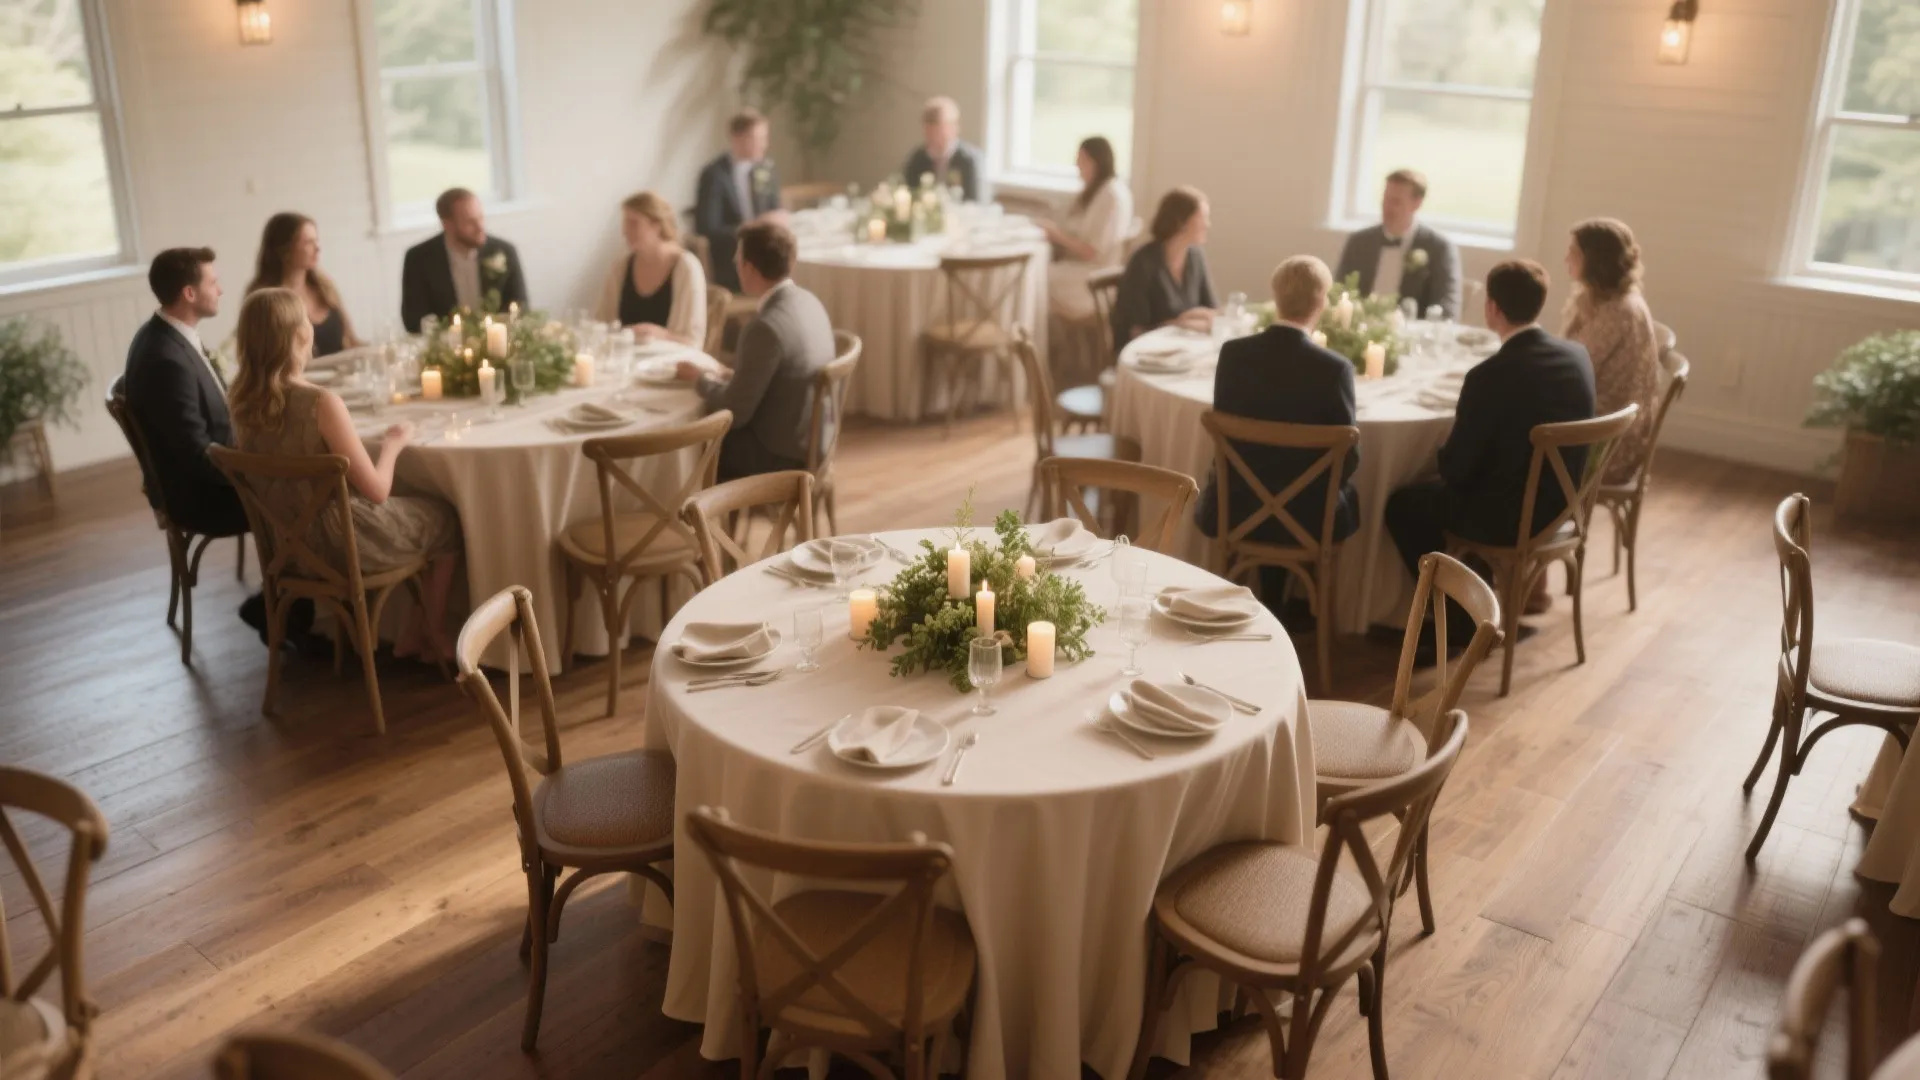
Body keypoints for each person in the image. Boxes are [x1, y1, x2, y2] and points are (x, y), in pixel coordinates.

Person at [228, 288, 463, 661]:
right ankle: (427, 631)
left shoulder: (241, 401)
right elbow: (377, 491)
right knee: (447, 518)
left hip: (284, 549)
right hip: (340, 546)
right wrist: (394, 444)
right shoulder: (321, 403)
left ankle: (407, 633)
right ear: (301, 336)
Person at [1383, 259, 1595, 649]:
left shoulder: (1489, 376)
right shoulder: (1575, 356)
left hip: (1512, 517)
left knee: (1402, 505)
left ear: (1492, 309)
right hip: (1563, 507)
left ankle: (1460, 625)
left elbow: (1456, 472)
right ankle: (1479, 609)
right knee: (1478, 486)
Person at [122, 247, 308, 644]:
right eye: (213, 282)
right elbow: (195, 455)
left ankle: (297, 602)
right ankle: (287, 611)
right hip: (199, 497)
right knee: (307, 497)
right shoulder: (166, 359)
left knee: (302, 484)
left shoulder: (166, 336)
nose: (222, 290)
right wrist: (260, 475)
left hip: (200, 478)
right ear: (189, 294)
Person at [1196, 255, 1359, 547]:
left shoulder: (1234, 356)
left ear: (1275, 297)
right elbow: (1348, 460)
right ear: (1321, 303)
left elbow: (1227, 444)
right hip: (1309, 519)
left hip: (1236, 508)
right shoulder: (1335, 369)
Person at [674, 222, 834, 481]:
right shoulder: (808, 301)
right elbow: (781, 373)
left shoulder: (764, 327)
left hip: (779, 454)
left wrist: (699, 379)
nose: (736, 267)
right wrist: (730, 376)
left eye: (738, 261)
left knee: (693, 444)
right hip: (814, 438)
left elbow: (734, 412)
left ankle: (692, 516)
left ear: (748, 268)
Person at [1562, 217, 1660, 485]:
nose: (1565, 258)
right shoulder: (1602, 299)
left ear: (1595, 261)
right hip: (1602, 424)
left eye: (1573, 252)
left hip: (1606, 443)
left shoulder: (1618, 311)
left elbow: (1571, 370)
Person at [1335, 169, 1462, 320]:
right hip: (1359, 328)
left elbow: (1447, 309)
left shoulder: (1439, 248)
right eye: (1385, 199)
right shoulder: (1359, 241)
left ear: (1417, 203)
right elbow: (1338, 291)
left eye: (1395, 201)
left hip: (1409, 335)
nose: (1387, 207)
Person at [399, 188, 529, 333]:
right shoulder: (419, 259)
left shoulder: (504, 251)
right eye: (470, 222)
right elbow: (413, 320)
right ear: (447, 224)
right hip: (445, 348)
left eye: (481, 218)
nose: (480, 227)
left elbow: (521, 308)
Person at [1110, 186, 1217, 352]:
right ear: (1181, 222)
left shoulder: (1196, 257)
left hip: (1183, 351)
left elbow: (1211, 309)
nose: (1207, 225)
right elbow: (1134, 330)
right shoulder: (1143, 262)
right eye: (1203, 218)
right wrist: (1181, 324)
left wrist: (1201, 317)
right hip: (1143, 353)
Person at [595, 191, 709, 347]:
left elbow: (693, 343)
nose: (625, 230)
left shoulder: (686, 268)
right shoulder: (620, 268)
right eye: (625, 223)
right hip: (623, 363)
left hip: (670, 365)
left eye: (633, 223)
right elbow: (602, 327)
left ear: (656, 225)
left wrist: (661, 335)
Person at [1040, 136, 1134, 321]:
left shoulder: (1110, 196)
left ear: (1096, 162)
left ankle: (1031, 341)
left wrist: (1057, 235)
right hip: (1085, 267)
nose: (1077, 165)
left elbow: (1091, 252)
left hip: (1095, 277)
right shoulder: (1095, 192)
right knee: (1040, 271)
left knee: (1033, 278)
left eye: (1081, 159)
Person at [695, 109, 786, 293]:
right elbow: (707, 228)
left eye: (764, 138)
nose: (763, 145)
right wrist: (751, 227)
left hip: (766, 250)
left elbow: (775, 210)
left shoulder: (766, 170)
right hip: (732, 258)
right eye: (756, 139)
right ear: (736, 138)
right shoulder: (714, 175)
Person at [247, 212, 360, 359]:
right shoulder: (266, 302)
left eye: (316, 240)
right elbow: (269, 365)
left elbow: (352, 342)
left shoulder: (324, 287)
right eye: (308, 242)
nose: (317, 248)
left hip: (343, 379)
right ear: (284, 250)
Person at [902, 96, 989, 204]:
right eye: (928, 130)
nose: (933, 136)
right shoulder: (918, 159)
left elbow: (975, 202)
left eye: (939, 129)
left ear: (954, 128)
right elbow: (910, 195)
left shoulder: (969, 160)